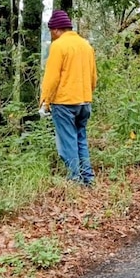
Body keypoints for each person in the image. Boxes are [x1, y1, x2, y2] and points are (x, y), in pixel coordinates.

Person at [39, 10, 98, 186]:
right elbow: (93, 77)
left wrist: (45, 102)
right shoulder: (86, 46)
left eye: (51, 32)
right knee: (81, 138)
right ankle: (87, 179)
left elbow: (52, 77)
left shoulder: (58, 46)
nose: (52, 36)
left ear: (56, 29)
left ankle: (75, 179)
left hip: (64, 102)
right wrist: (86, 94)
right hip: (84, 101)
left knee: (67, 142)